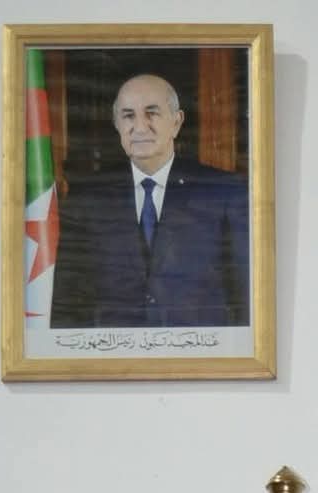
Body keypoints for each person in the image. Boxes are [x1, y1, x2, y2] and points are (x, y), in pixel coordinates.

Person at [50, 73, 250, 330]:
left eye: (152, 113)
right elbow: (67, 302)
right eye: (128, 116)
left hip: (198, 350)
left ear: (176, 122)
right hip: (113, 351)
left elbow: (246, 297)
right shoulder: (88, 198)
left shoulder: (223, 192)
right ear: (117, 125)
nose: (140, 127)